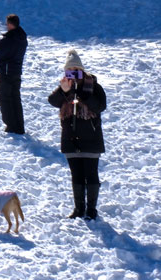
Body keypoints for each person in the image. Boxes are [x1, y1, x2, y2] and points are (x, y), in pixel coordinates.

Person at [48, 50, 107, 220]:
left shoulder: (93, 87)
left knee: (91, 174)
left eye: (76, 70)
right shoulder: (65, 87)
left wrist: (82, 95)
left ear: (82, 70)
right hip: (71, 139)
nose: (73, 74)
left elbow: (99, 106)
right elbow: (52, 101)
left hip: (91, 138)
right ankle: (79, 208)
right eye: (69, 71)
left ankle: (91, 209)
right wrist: (64, 92)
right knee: (77, 175)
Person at [0, 14, 27, 134]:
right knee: (15, 99)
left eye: (7, 24)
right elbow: (11, 49)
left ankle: (11, 126)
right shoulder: (22, 38)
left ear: (11, 24)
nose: (6, 26)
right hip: (16, 72)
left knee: (5, 99)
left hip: (6, 73)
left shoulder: (9, 40)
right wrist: (2, 43)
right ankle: (19, 126)